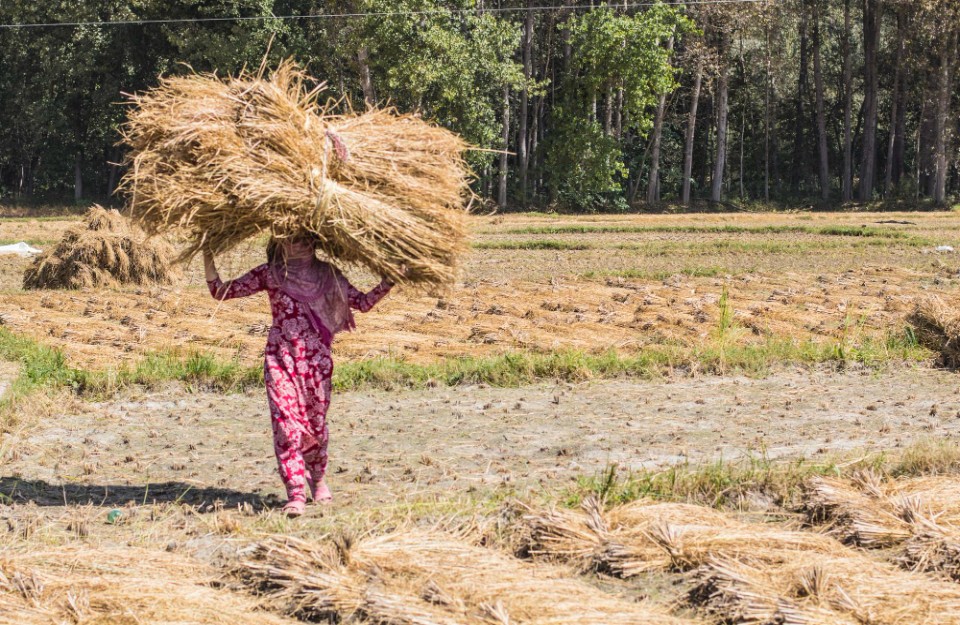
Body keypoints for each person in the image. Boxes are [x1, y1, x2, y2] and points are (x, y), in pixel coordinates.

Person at [203, 236, 393, 517]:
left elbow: (362, 303)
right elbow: (221, 291)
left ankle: (317, 479)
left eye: (304, 237)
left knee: (316, 426)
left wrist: (390, 279)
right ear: (279, 243)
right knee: (286, 424)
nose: (299, 243)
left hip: (316, 361)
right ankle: (295, 491)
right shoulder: (271, 273)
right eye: (291, 239)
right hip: (281, 356)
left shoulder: (327, 274)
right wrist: (206, 251)